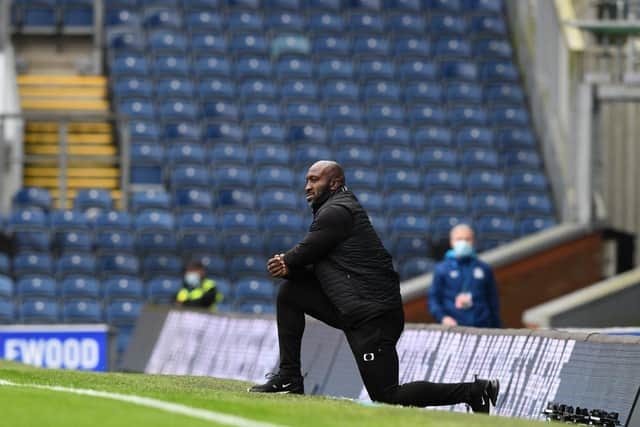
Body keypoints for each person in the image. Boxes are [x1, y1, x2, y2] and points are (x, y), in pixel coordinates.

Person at [248, 160, 500, 414]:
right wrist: (291, 268)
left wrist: (286, 262)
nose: (307, 187)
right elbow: (317, 261)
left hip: (374, 317)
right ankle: (289, 375)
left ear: (334, 184)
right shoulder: (337, 210)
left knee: (388, 395)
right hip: (354, 307)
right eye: (307, 180)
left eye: (314, 180)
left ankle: (474, 391)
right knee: (291, 294)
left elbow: (306, 251)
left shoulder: (337, 212)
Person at [429, 224, 501, 328]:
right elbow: (434, 298)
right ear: (451, 242)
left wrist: (496, 326)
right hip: (454, 327)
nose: (463, 243)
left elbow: (493, 300)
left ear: (473, 242)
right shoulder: (442, 269)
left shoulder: (484, 268)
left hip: (482, 325)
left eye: (467, 239)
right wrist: (443, 317)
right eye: (459, 239)